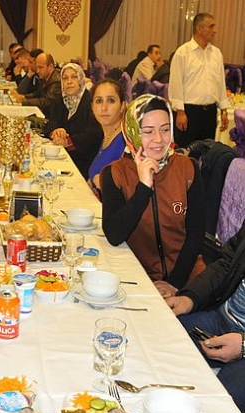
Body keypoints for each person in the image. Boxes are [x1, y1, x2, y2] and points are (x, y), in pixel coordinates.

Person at [101, 94, 205, 296]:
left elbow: (196, 233)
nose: (159, 139)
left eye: (165, 129)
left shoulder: (188, 169)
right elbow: (114, 234)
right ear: (132, 131)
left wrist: (174, 283)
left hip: (186, 275)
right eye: (148, 131)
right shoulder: (115, 174)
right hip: (138, 279)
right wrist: (143, 187)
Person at [166, 220, 245, 413]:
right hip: (221, 317)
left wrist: (243, 345)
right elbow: (227, 262)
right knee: (164, 338)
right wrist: (190, 298)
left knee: (221, 405)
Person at [170, 12, 229, 148]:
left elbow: (220, 83)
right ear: (199, 29)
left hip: (209, 113)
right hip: (189, 112)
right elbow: (176, 84)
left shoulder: (216, 53)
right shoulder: (183, 53)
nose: (215, 30)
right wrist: (180, 112)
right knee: (186, 152)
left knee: (207, 152)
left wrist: (223, 110)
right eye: (211, 26)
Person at [43, 62, 102, 179]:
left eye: (74, 77)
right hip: (60, 157)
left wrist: (67, 142)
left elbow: (93, 134)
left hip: (83, 163)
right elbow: (50, 122)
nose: (69, 82)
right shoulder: (60, 100)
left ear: (81, 80)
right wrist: (56, 131)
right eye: (65, 78)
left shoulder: (91, 102)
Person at [87, 78, 127, 197]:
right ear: (92, 107)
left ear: (122, 106)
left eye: (111, 100)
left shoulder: (125, 141)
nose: (104, 107)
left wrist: (105, 183)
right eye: (99, 101)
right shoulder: (107, 136)